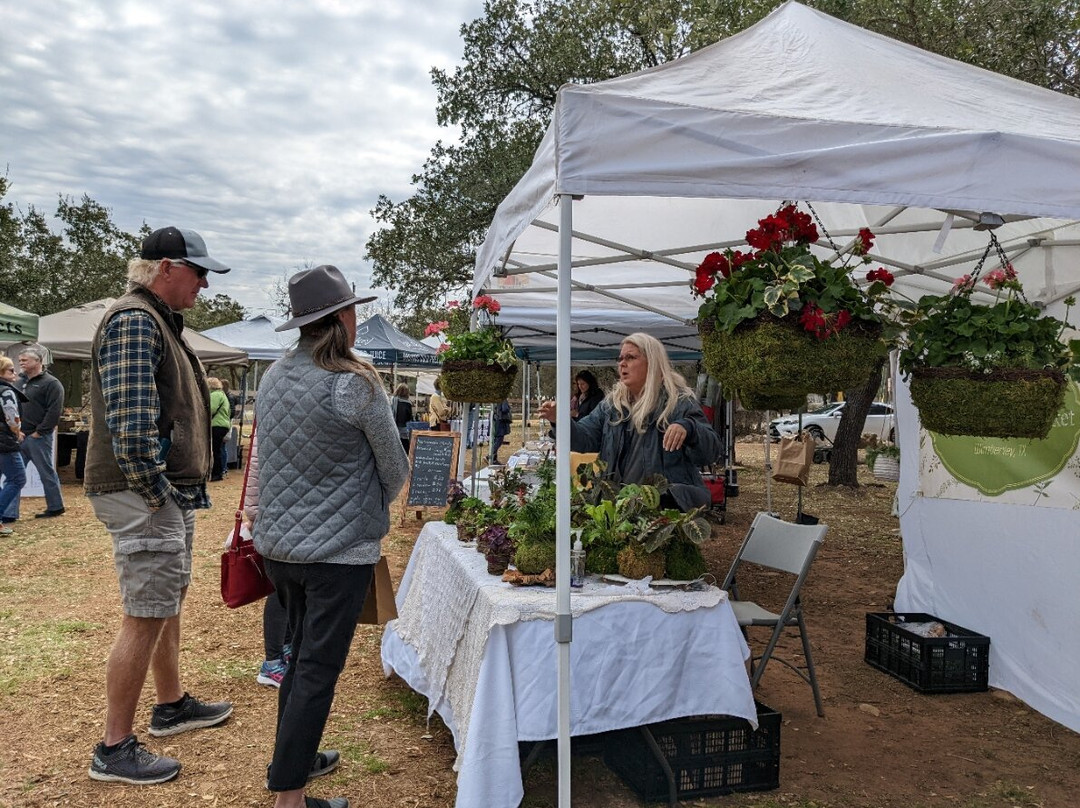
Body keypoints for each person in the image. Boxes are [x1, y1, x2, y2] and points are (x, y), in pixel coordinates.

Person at [255, 265, 409, 808]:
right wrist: (362, 506)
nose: (357, 317)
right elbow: (394, 469)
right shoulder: (355, 384)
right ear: (340, 319)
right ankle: (289, 797)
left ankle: (291, 761)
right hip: (339, 554)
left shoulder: (273, 376)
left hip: (279, 549)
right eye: (353, 309)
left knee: (299, 659)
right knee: (316, 670)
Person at [85, 226, 234, 786]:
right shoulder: (134, 320)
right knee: (145, 612)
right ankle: (113, 747)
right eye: (198, 273)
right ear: (167, 268)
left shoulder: (155, 319)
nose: (204, 284)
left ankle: (170, 706)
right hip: (144, 493)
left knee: (165, 599)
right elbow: (130, 423)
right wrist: (155, 494)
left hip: (162, 492)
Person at [539, 333, 721, 512]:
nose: (622, 364)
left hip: (664, 514)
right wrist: (560, 420)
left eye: (631, 357)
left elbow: (711, 452)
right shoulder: (611, 406)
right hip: (620, 511)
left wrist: (689, 428)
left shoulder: (678, 402)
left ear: (653, 362)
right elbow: (584, 438)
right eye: (620, 359)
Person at [238, 430, 293, 688]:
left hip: (287, 511)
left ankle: (286, 647)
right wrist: (253, 512)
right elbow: (255, 465)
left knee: (291, 587)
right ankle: (272, 663)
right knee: (280, 589)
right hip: (274, 513)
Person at [1, 344, 66, 521]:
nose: (21, 363)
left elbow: (54, 410)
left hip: (38, 437)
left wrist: (40, 431)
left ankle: (55, 506)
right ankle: (8, 513)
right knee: (15, 476)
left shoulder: (51, 384)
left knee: (46, 472)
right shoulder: (18, 381)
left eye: (25, 360)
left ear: (38, 361)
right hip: (18, 436)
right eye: (20, 360)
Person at [0, 357, 27, 537]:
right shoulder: (6, 392)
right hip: (5, 441)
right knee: (18, 478)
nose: (15, 373)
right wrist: (17, 432)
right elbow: (11, 416)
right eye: (10, 370)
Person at [208, 377, 231, 481]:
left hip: (216, 425)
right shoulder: (222, 395)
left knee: (214, 450)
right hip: (223, 425)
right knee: (218, 449)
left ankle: (216, 474)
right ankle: (219, 471)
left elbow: (211, 409)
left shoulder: (215, 395)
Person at [390, 382, 414, 454]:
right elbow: (409, 418)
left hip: (393, 430)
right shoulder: (408, 403)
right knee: (405, 451)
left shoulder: (392, 400)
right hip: (403, 431)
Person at [490, 399, 512, 464]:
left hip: (495, 419)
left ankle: (494, 459)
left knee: (495, 440)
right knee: (499, 440)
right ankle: (490, 455)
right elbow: (505, 409)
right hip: (500, 420)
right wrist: (508, 407)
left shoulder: (495, 398)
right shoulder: (503, 398)